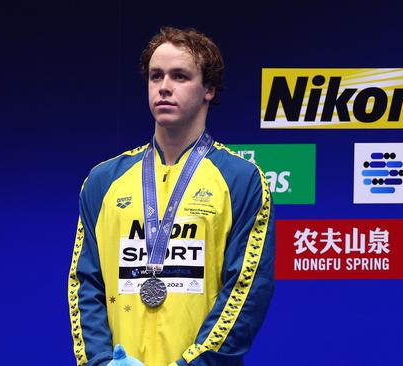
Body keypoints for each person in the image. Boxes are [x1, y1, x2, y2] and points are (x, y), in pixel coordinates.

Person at [68, 26, 275, 366]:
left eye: (180, 76)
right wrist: (101, 362)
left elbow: (246, 291)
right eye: (156, 76)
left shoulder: (242, 180)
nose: (164, 87)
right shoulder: (103, 181)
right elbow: (85, 284)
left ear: (209, 88)